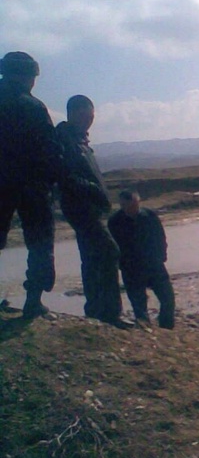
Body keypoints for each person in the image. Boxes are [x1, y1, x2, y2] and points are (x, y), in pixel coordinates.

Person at [56, 95, 130, 328]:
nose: (90, 121)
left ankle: (96, 310)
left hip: (89, 208)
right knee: (109, 252)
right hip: (80, 208)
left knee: (92, 257)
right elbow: (65, 176)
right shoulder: (65, 141)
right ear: (74, 114)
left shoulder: (79, 141)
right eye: (86, 116)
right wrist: (93, 190)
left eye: (92, 116)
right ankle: (110, 312)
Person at [0, 51, 63, 319]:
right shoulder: (34, 107)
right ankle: (33, 302)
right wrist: (50, 183)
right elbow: (51, 152)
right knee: (39, 243)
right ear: (28, 76)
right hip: (31, 187)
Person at [108, 190, 175, 329]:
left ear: (137, 203)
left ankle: (167, 329)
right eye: (124, 205)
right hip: (131, 269)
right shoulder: (115, 221)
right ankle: (146, 332)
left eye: (132, 206)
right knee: (139, 305)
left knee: (168, 298)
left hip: (154, 264)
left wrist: (162, 255)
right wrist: (121, 265)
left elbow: (160, 236)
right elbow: (111, 247)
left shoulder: (149, 216)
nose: (128, 209)